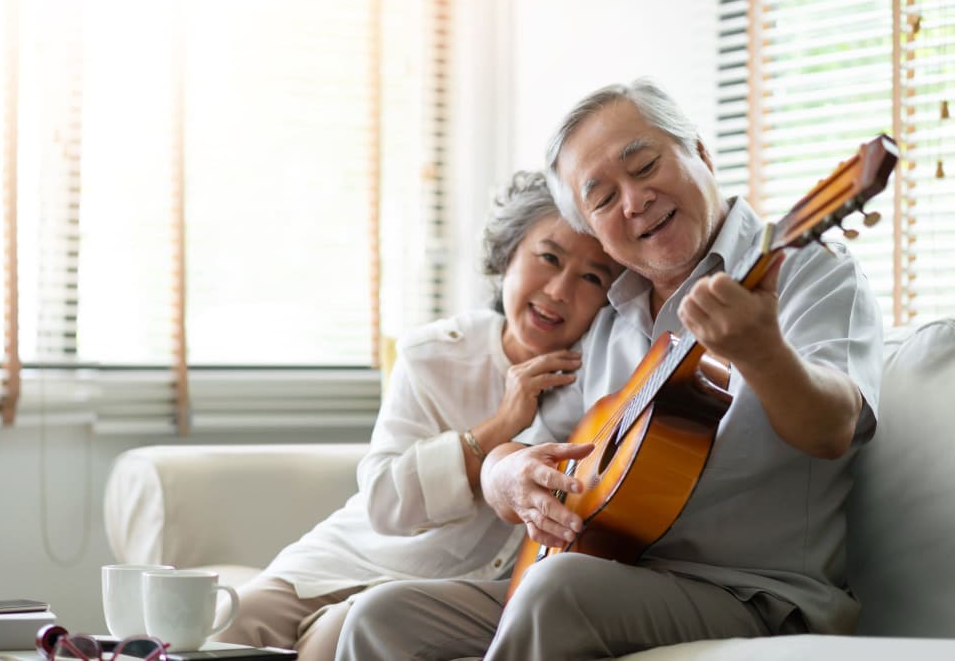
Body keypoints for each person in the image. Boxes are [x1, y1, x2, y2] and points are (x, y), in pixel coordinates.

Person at [335, 78, 883, 660]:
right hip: (602, 571)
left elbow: (833, 430)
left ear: (699, 151)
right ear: (596, 230)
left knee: (557, 590)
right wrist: (504, 474)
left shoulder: (804, 271)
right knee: (383, 616)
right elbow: (534, 447)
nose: (634, 200)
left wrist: (762, 351)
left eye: (644, 166)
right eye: (601, 198)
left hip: (756, 595)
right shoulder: (610, 318)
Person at [211, 170, 623, 659]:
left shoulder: (602, 380)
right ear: (509, 253)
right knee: (231, 621)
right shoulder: (435, 354)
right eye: (548, 257)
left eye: (592, 277)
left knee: (335, 638)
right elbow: (385, 502)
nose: (558, 290)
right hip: (349, 555)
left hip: (440, 592)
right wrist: (500, 426)